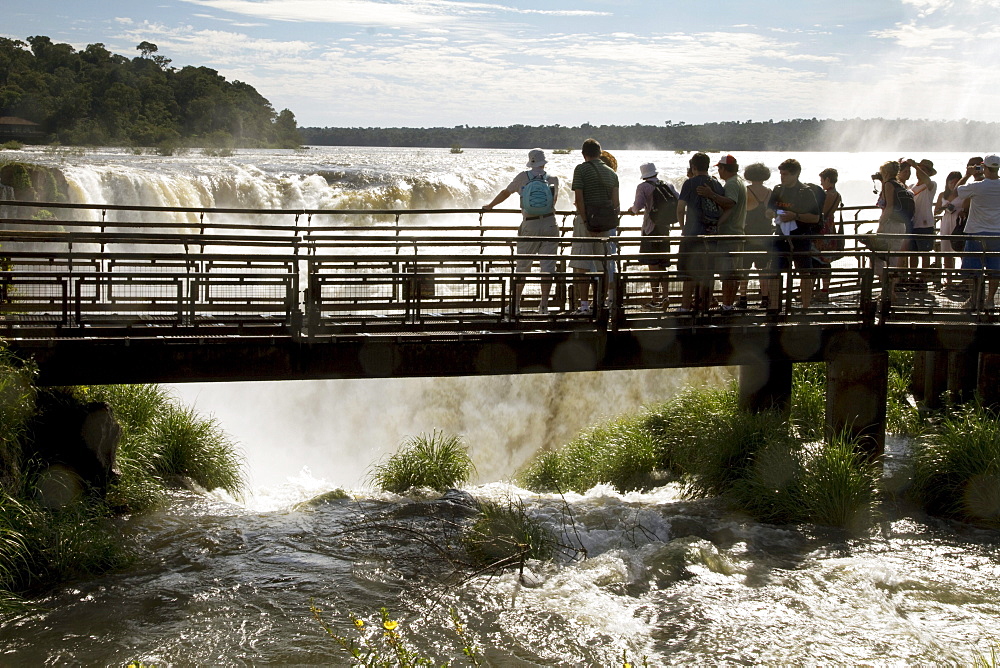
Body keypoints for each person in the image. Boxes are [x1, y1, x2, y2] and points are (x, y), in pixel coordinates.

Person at [482, 148, 559, 316]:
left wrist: (490, 206)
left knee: (523, 266)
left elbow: (506, 192)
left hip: (529, 224)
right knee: (548, 267)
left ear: (530, 161)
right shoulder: (553, 179)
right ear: (544, 162)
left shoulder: (522, 177)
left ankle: (515, 305)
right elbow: (553, 202)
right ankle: (544, 306)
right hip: (550, 224)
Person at [568, 138, 620, 315]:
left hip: (586, 223)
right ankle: (601, 303)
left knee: (582, 263)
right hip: (605, 224)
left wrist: (585, 221)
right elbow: (616, 203)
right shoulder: (612, 173)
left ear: (584, 154)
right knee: (602, 264)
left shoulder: (581, 169)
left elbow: (579, 199)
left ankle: (584, 306)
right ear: (600, 153)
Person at [767, 158, 824, 308]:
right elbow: (768, 209)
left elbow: (815, 217)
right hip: (780, 236)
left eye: (785, 174)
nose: (782, 177)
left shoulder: (805, 192)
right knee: (774, 272)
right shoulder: (778, 189)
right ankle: (774, 307)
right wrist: (771, 213)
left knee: (804, 273)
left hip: (800, 236)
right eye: (781, 174)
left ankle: (805, 307)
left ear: (795, 174)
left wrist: (795, 216)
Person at [676, 152, 725, 312]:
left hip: (692, 234)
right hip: (712, 234)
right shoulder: (716, 184)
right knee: (708, 271)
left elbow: (680, 208)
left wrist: (683, 227)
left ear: (694, 167)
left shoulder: (690, 183)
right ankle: (706, 304)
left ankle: (684, 307)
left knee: (688, 271)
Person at [697, 154, 746, 310]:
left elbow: (730, 202)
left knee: (727, 273)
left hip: (729, 233)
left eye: (720, 168)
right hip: (737, 232)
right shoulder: (739, 181)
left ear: (724, 168)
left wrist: (710, 194)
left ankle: (726, 305)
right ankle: (728, 304)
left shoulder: (731, 184)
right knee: (734, 272)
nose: (719, 172)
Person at [628, 162, 678, 307]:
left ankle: (655, 299)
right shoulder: (668, 185)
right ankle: (665, 297)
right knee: (663, 264)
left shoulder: (643, 187)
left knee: (653, 265)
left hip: (650, 229)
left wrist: (631, 210)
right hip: (665, 229)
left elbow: (637, 207)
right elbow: (679, 199)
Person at [956, 154, 1000, 308]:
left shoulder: (977, 186)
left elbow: (958, 191)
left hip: (976, 232)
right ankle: (989, 301)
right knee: (995, 269)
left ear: (984, 167)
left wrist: (968, 174)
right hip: (997, 233)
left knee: (972, 268)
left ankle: (974, 299)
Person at [872, 160, 911, 293]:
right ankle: (891, 291)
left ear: (886, 172)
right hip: (901, 225)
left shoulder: (888, 184)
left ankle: (886, 291)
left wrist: (881, 225)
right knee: (893, 258)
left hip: (890, 224)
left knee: (878, 257)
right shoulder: (900, 184)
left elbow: (889, 206)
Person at [740, 162, 773, 308]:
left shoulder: (746, 191)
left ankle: (743, 298)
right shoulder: (769, 192)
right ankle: (765, 298)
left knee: (744, 268)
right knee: (763, 269)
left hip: (748, 234)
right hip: (765, 234)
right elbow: (771, 213)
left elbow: (740, 213)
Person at [815, 167, 843, 303]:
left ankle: (820, 291)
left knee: (818, 260)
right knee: (826, 261)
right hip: (830, 229)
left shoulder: (828, 195)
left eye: (822, 180)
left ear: (827, 179)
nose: (821, 183)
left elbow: (822, 213)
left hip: (822, 230)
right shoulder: (837, 195)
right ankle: (824, 290)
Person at [906, 158, 938, 275]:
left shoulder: (931, 185)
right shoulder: (911, 186)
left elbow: (927, 180)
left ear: (929, 173)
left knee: (925, 254)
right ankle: (913, 276)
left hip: (925, 224)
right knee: (912, 254)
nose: (919, 172)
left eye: (924, 170)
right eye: (920, 169)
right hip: (912, 223)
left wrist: (915, 165)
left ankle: (924, 278)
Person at [934, 170, 964, 283]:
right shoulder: (943, 195)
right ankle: (949, 279)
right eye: (951, 183)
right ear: (947, 183)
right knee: (946, 251)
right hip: (946, 221)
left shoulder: (964, 194)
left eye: (956, 183)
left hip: (958, 222)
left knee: (961, 251)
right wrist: (942, 208)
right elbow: (935, 211)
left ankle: (964, 279)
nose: (953, 185)